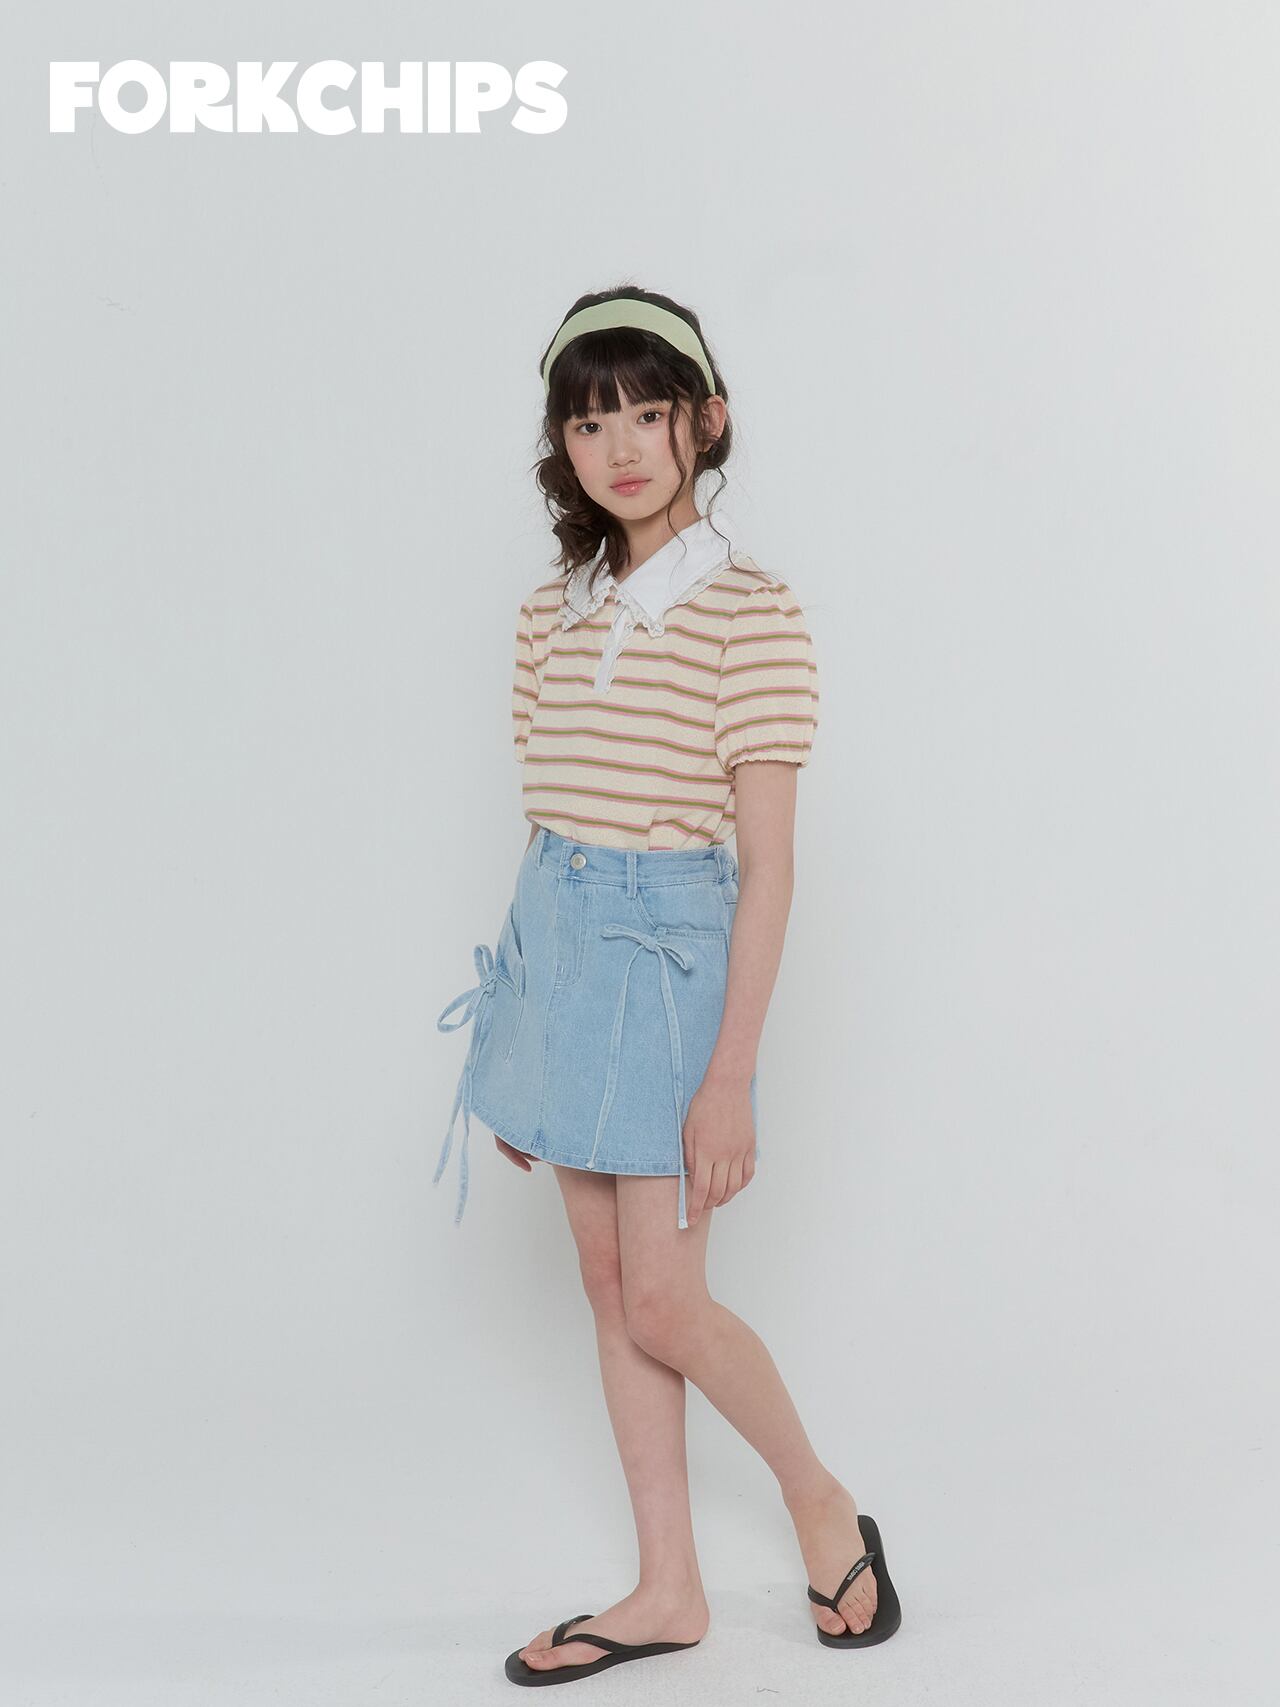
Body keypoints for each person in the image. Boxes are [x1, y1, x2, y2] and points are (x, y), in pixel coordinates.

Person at [433, 285, 901, 1685]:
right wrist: (524, 1030)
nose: (622, 445)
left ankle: (822, 1506)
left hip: (670, 956)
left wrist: (730, 1075)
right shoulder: (550, 614)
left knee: (665, 1300)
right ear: (561, 446)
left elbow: (769, 869)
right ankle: (667, 1589)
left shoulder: (750, 612)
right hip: (559, 945)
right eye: (590, 423)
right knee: (607, 1285)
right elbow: (551, 826)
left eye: (648, 412)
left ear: (706, 422)